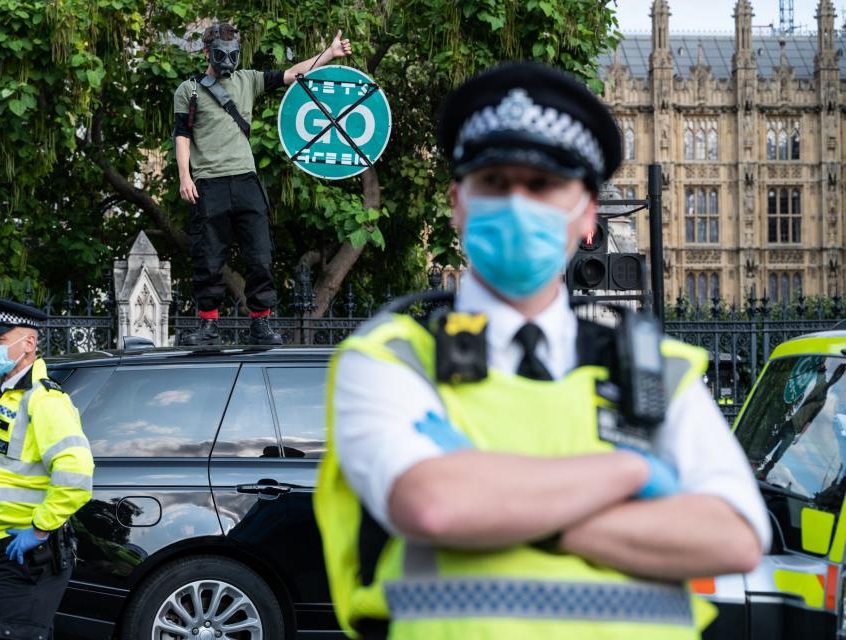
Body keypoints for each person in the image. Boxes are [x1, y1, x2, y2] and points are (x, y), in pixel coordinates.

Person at [314, 62, 770, 640]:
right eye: (496, 183)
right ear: (458, 203)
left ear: (586, 214)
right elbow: (435, 506)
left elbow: (732, 537)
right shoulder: (391, 358)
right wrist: (630, 471)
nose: (518, 203)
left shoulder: (659, 371)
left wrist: (500, 502)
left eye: (543, 185)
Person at [174, 22, 353, 346]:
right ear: (206, 52)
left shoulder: (248, 80)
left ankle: (260, 324)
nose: (227, 61)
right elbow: (182, 135)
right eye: (220, 54)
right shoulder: (190, 90)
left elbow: (292, 74)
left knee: (260, 255)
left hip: (246, 179)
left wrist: (330, 53)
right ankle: (208, 327)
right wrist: (185, 177)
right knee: (208, 257)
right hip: (208, 183)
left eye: (232, 54)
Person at [0, 297, 94, 640]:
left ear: (29, 344)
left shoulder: (46, 400)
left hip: (29, 553)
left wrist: (38, 530)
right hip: (6, 549)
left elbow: (77, 475)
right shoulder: (8, 396)